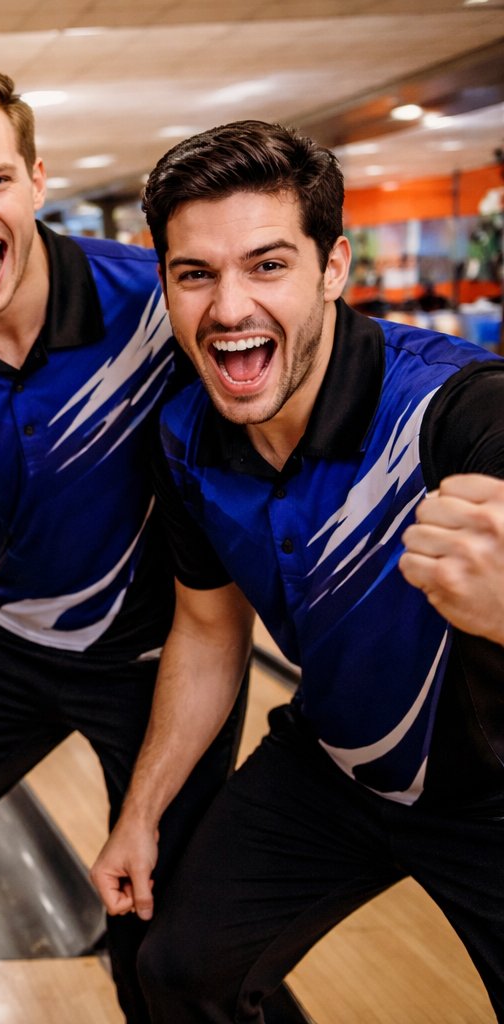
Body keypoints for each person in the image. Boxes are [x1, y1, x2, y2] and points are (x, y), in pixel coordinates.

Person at [0, 65, 251, 1024]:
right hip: (14, 640)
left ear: (37, 181)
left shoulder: (153, 307)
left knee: (160, 932)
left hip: (165, 659)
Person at [91, 119, 504, 1022]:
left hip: (494, 798)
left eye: (267, 265)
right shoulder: (187, 436)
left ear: (334, 268)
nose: (229, 307)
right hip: (336, 764)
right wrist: (141, 811)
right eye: (195, 274)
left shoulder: (461, 411)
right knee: (179, 971)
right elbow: (206, 631)